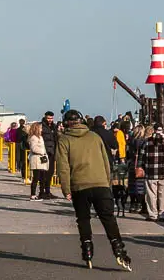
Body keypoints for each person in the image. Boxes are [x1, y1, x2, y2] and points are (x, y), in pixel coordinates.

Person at [55, 109, 132, 271]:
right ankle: (118, 249)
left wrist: (66, 188)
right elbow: (105, 161)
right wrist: (106, 182)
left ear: (66, 123)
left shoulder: (64, 140)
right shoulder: (94, 137)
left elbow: (63, 167)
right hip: (100, 183)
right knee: (108, 218)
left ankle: (87, 249)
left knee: (83, 219)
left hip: (79, 185)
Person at [141, 126, 164, 222]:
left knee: (151, 195)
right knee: (163, 195)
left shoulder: (146, 143)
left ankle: (153, 215)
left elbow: (142, 159)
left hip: (150, 173)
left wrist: (146, 168)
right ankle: (162, 214)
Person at [39, 111, 59, 199]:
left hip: (52, 152)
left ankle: (48, 191)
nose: (50, 120)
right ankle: (41, 192)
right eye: (48, 118)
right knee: (43, 172)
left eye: (51, 118)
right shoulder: (41, 126)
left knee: (50, 172)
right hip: (44, 152)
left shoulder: (54, 126)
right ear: (45, 117)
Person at [27, 122, 48, 200]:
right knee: (36, 178)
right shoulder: (33, 138)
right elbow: (33, 148)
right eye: (40, 128)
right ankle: (33, 194)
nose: (42, 129)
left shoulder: (40, 137)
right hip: (36, 159)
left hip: (42, 159)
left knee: (43, 178)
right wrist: (42, 151)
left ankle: (41, 193)